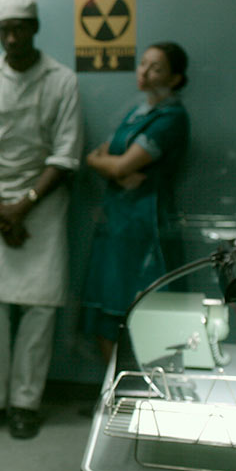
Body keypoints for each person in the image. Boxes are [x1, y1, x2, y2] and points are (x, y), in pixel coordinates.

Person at [0, 0, 83, 440]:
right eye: (4, 31)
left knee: (39, 307)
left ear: (34, 28)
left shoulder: (61, 80)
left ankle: (26, 403)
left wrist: (23, 206)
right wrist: (0, 208)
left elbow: (66, 154)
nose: (11, 38)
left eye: (19, 29)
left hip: (44, 207)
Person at [82, 42, 190, 363]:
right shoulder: (136, 113)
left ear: (175, 79)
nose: (144, 72)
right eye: (143, 64)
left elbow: (119, 165)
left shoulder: (172, 118)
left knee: (144, 312)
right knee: (107, 310)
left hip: (145, 226)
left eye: (156, 68)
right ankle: (117, 386)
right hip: (115, 221)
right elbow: (100, 157)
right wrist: (107, 165)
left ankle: (146, 387)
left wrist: (114, 167)